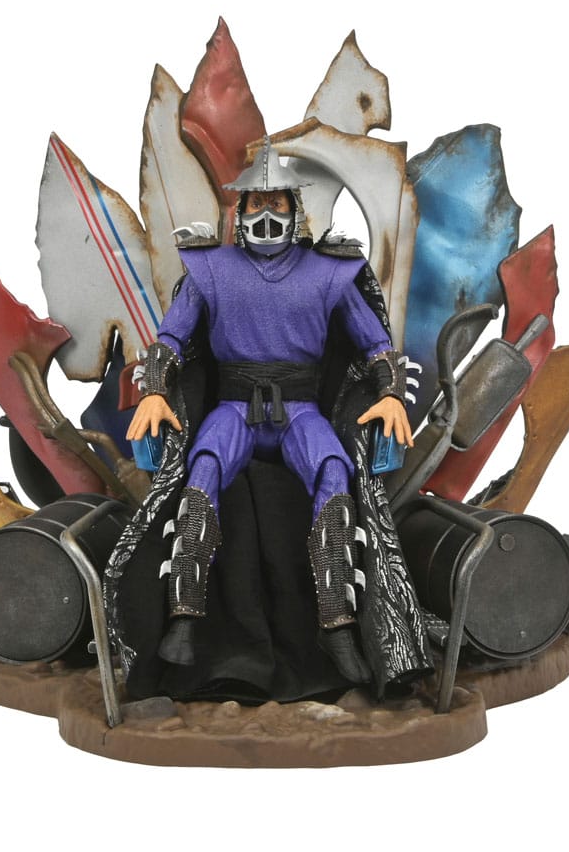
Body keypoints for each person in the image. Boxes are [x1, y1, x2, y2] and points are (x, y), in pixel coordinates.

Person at [108, 140, 431, 700]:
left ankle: (337, 624)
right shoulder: (210, 268)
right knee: (203, 471)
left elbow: (374, 343)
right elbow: (171, 339)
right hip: (233, 406)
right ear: (239, 209)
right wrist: (156, 391)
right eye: (255, 203)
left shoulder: (329, 270)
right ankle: (184, 617)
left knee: (334, 472)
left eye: (276, 203)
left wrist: (391, 395)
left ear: (294, 208)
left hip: (301, 409)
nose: (265, 214)